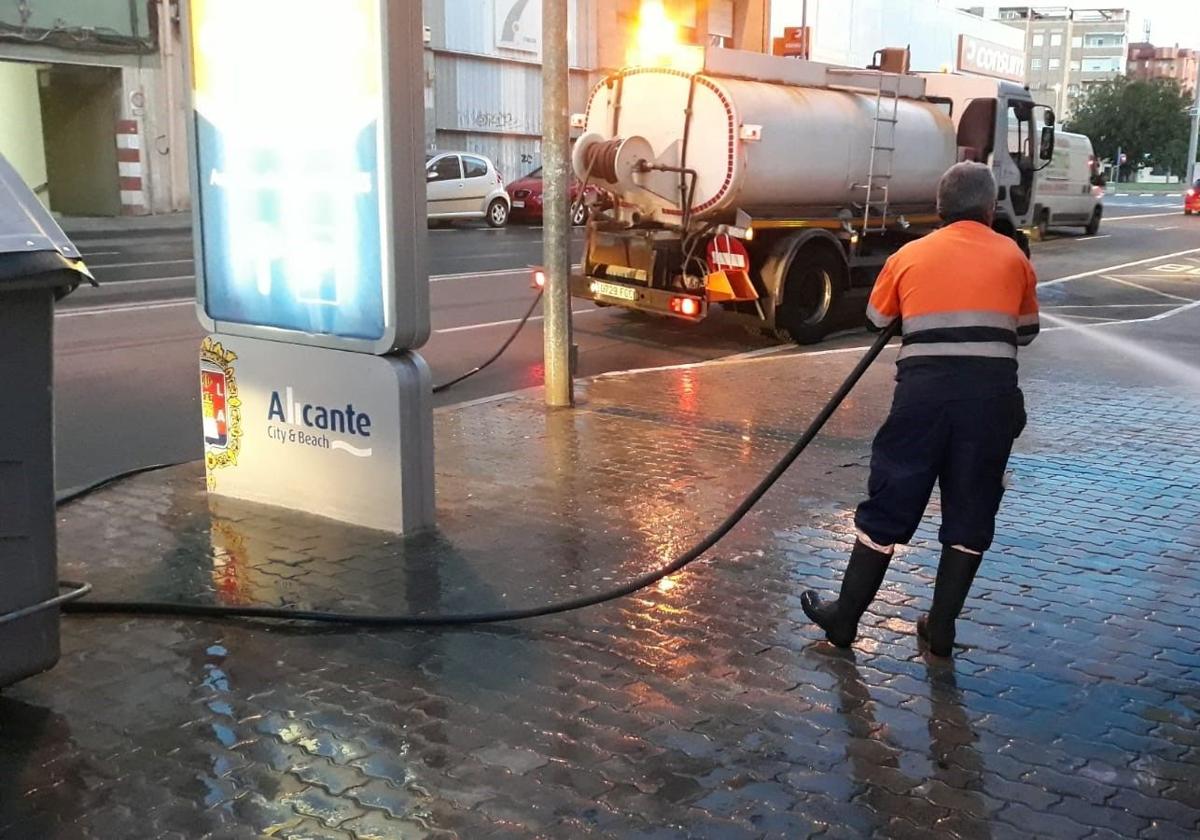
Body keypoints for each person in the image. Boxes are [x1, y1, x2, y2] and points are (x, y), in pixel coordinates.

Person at [801, 161, 1039, 657]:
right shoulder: (1014, 256)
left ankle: (844, 619)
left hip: (922, 401)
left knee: (891, 499)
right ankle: (942, 629)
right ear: (990, 208)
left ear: (938, 209)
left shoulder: (911, 254)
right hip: (991, 405)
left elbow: (875, 319)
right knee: (971, 509)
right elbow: (1026, 331)